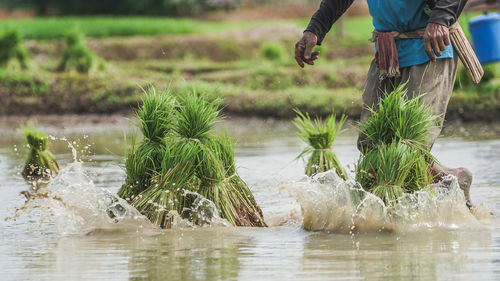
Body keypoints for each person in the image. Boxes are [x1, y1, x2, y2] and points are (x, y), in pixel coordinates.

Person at [295, 0, 473, 207]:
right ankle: (453, 179)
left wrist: (442, 18)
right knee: (372, 143)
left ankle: (401, 218)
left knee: (409, 146)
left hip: (430, 46)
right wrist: (314, 30)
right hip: (387, 50)